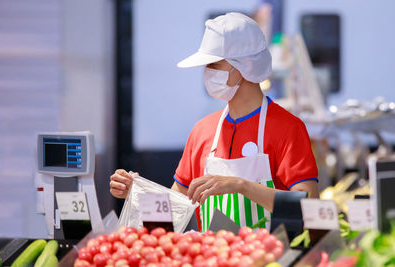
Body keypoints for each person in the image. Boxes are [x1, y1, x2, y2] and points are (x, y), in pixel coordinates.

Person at [110, 12, 318, 232]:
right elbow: (174, 211)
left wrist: (241, 186)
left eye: (213, 65)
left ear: (242, 69)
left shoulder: (287, 128)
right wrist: (137, 193)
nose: (206, 73)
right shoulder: (203, 130)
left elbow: (309, 208)